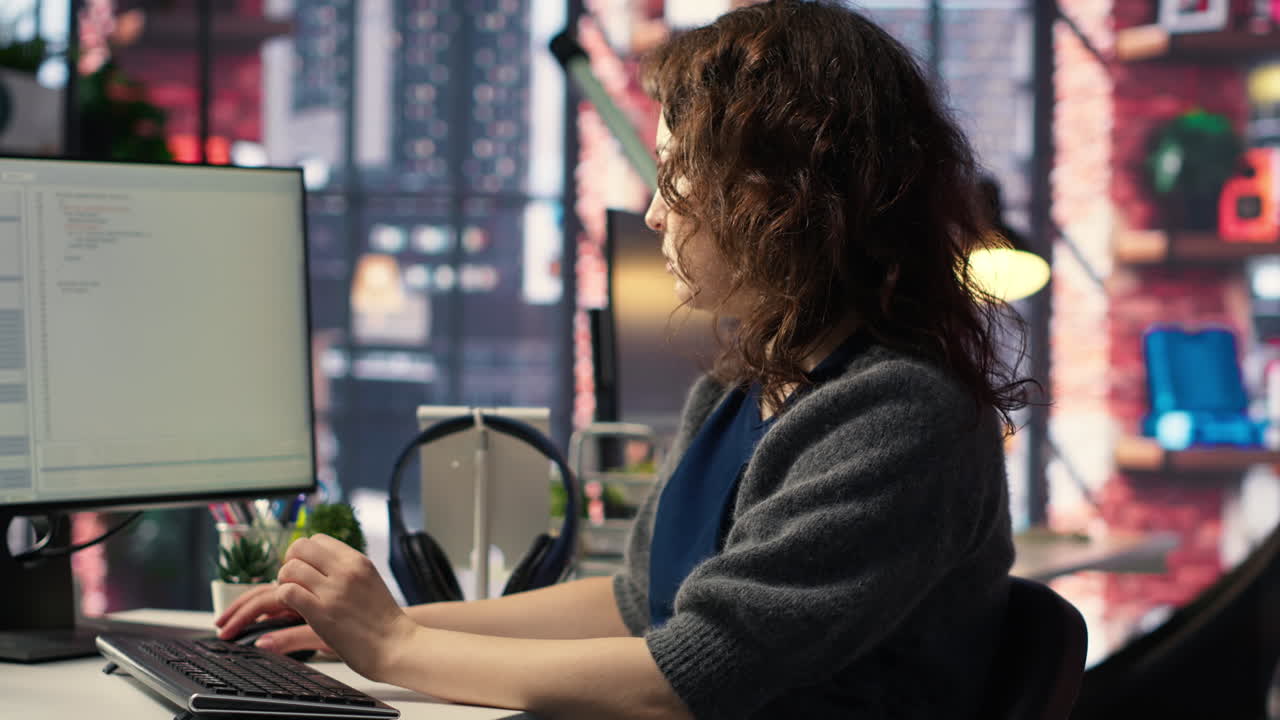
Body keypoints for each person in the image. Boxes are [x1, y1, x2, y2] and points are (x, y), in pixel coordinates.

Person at [215, 2, 1032, 718]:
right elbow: (635, 605)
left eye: (678, 177)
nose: (652, 212)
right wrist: (375, 625)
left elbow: (688, 678)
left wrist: (394, 648)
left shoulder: (897, 416)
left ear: (781, 199)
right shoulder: (737, 390)